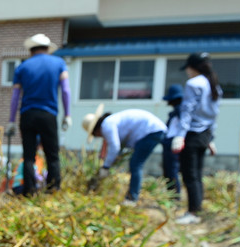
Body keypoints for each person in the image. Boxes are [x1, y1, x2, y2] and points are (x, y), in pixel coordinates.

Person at [6, 33, 71, 196]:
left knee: (28, 155)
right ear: (48, 49)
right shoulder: (59, 63)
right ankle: (53, 190)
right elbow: (65, 90)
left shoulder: (22, 67)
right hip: (48, 114)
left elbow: (15, 96)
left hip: (27, 114)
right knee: (52, 155)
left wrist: (11, 120)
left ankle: (29, 191)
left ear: (31, 50)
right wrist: (67, 114)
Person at [171, 52, 221, 224]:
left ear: (193, 67)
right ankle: (197, 210)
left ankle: (192, 213)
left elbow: (187, 111)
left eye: (188, 69)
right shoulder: (213, 84)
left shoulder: (194, 83)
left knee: (189, 174)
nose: (187, 72)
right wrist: (211, 138)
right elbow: (214, 115)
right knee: (197, 174)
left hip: (192, 134)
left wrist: (180, 136)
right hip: (205, 134)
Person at [82, 105, 167, 205]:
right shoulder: (110, 122)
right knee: (136, 163)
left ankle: (132, 199)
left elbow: (115, 147)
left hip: (152, 131)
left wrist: (106, 167)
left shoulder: (107, 125)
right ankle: (132, 197)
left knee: (135, 164)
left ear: (96, 130)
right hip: (153, 130)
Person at [161, 84, 183, 198]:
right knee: (169, 171)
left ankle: (175, 197)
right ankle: (172, 196)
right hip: (169, 143)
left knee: (172, 171)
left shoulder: (181, 111)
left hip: (173, 144)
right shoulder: (175, 113)